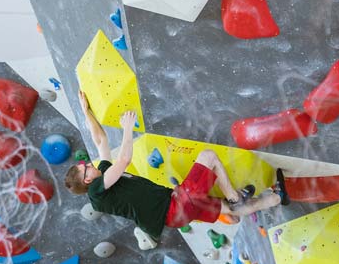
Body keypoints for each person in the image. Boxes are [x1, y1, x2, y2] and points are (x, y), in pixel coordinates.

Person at [65, 89, 285, 248]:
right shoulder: (96, 192)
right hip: (175, 207)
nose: (88, 164)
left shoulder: (102, 173)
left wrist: (87, 114)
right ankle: (235, 196)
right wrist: (127, 129)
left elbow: (101, 142)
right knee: (209, 157)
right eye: (85, 167)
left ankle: (274, 199)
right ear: (86, 180)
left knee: (226, 209)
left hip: (174, 212)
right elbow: (123, 160)